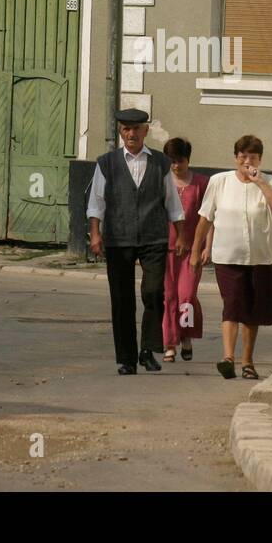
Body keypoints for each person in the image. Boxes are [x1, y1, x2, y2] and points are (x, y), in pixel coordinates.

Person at [87, 109, 187, 375]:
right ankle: (127, 359)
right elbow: (97, 202)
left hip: (154, 235)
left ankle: (148, 350)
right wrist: (95, 233)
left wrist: (181, 235)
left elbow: (172, 203)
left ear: (146, 130)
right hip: (119, 238)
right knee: (122, 299)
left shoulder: (161, 163)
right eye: (126, 129)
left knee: (154, 293)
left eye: (136, 129)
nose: (131, 134)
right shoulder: (106, 163)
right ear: (121, 131)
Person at [190, 135, 272, 381]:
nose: (246, 161)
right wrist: (195, 250)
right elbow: (205, 218)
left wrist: (260, 183)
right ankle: (228, 358)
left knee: (253, 311)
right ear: (235, 158)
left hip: (260, 256)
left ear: (260, 160)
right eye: (242, 157)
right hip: (228, 256)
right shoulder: (219, 182)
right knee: (232, 305)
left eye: (252, 157)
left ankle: (248, 361)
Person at [161, 138, 209, 363]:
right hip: (164, 250)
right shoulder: (160, 182)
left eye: (180, 161)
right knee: (169, 297)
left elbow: (208, 218)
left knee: (186, 296)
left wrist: (207, 246)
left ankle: (186, 335)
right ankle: (170, 342)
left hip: (192, 250)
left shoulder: (201, 184)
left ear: (188, 160)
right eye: (171, 161)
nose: (176, 166)